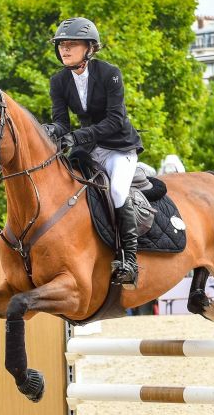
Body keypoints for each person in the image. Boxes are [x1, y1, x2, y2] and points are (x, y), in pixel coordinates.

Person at [44, 17, 144, 286]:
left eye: (71, 44)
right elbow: (62, 122)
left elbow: (115, 120)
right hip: (89, 148)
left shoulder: (110, 73)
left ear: (89, 48)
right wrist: (51, 131)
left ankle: (129, 260)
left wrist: (76, 136)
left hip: (119, 147)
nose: (64, 49)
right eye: (61, 45)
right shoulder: (58, 81)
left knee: (117, 192)